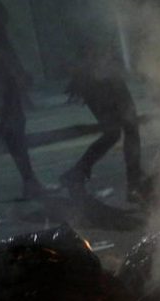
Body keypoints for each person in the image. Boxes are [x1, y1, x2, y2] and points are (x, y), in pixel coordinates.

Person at [59, 42, 151, 203]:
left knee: (114, 132)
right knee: (129, 127)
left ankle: (78, 172)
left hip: (92, 76)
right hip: (100, 75)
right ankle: (134, 185)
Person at [0, 0, 49, 200]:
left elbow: (6, 55)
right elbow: (3, 57)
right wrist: (18, 75)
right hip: (0, 84)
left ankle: (30, 182)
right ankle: (30, 182)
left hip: (2, 84)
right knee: (13, 129)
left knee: (14, 130)